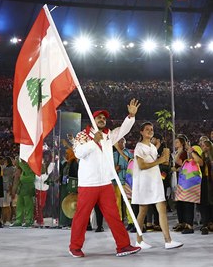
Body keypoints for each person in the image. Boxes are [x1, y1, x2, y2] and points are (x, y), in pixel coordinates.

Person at [69, 99, 142, 258]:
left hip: (105, 183)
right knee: (82, 216)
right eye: (98, 118)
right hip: (88, 184)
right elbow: (78, 153)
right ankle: (74, 247)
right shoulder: (83, 135)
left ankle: (123, 246)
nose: (102, 120)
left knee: (114, 216)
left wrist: (130, 115)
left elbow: (123, 129)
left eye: (104, 118)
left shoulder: (109, 135)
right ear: (93, 120)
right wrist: (93, 142)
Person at [132, 122, 183, 250]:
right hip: (144, 183)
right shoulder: (139, 147)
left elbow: (158, 163)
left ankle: (168, 240)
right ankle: (138, 240)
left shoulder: (153, 147)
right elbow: (142, 166)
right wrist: (160, 160)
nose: (150, 131)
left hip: (155, 182)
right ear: (141, 132)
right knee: (142, 212)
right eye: (147, 129)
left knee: (162, 209)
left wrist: (165, 157)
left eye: (152, 129)